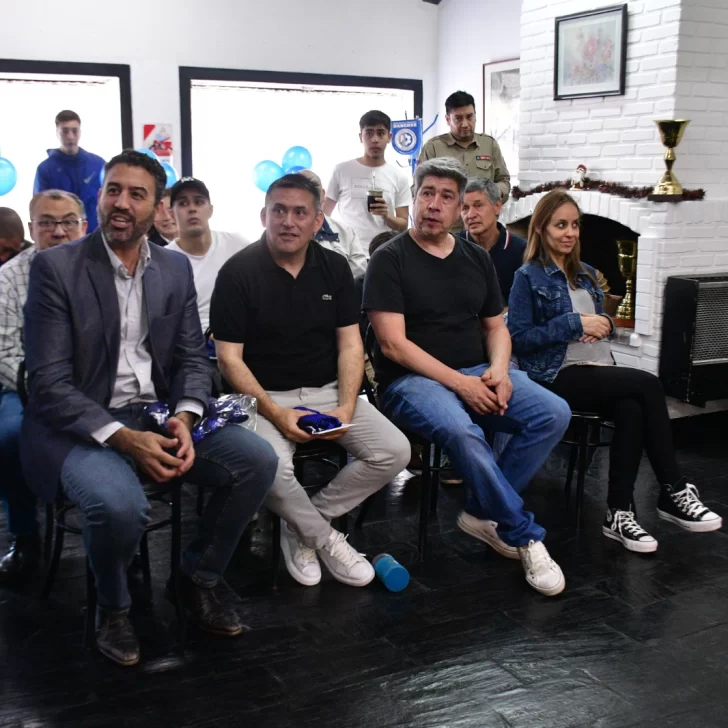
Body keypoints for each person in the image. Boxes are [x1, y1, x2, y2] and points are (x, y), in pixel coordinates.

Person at [21, 150, 277, 666]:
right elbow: (48, 383)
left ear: (157, 207)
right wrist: (123, 438)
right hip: (77, 424)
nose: (121, 202)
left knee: (257, 460)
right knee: (119, 506)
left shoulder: (174, 267)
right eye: (113, 190)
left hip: (155, 415)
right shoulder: (57, 267)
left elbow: (191, 357)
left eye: (136, 194)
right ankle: (113, 608)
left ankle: (195, 578)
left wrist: (185, 415)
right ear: (99, 196)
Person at [363, 158, 571, 597]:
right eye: (427, 193)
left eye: (446, 197)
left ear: (459, 208)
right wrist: (461, 385)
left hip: (477, 369)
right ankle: (523, 534)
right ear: (414, 197)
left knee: (553, 412)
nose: (434, 204)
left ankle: (481, 511)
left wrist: (499, 369)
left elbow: (496, 328)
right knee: (464, 431)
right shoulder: (390, 258)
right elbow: (393, 345)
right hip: (409, 382)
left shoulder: (476, 258)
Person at [211, 173, 410, 589]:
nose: (289, 221)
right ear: (264, 216)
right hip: (261, 397)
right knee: (269, 467)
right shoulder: (236, 272)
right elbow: (229, 359)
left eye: (300, 212)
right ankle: (325, 539)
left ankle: (300, 524)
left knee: (394, 451)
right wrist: (276, 413)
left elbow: (350, 346)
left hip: (327, 391)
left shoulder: (334, 268)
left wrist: (346, 406)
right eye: (279, 211)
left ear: (318, 221)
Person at [508, 189, 723, 552]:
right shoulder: (527, 277)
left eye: (575, 225)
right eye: (560, 225)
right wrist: (573, 324)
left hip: (597, 367)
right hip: (556, 375)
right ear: (541, 228)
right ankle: (673, 488)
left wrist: (604, 323)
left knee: (632, 409)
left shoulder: (587, 274)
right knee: (648, 383)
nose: (570, 233)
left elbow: (601, 320)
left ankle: (618, 514)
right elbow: (519, 338)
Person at [0, 191, 87, 586]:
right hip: (26, 386)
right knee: (9, 435)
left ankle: (120, 538)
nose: (58, 231)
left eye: (67, 221)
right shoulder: (9, 278)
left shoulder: (103, 270)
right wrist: (48, 388)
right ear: (31, 229)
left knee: (124, 419)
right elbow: (5, 351)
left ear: (83, 226)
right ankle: (25, 536)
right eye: (47, 223)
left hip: (94, 382)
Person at [417, 91, 510, 232]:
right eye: (458, 118)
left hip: (481, 228)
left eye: (469, 117)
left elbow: (504, 180)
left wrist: (490, 194)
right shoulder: (433, 147)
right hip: (447, 228)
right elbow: (418, 187)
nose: (465, 124)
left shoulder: (489, 145)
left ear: (475, 116)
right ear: (448, 119)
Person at [165, 178, 249, 332]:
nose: (192, 209)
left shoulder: (237, 244)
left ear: (210, 210)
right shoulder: (164, 260)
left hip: (240, 335)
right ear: (171, 214)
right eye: (183, 203)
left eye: (198, 202)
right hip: (191, 341)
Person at [324, 110, 412, 245]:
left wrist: (387, 216)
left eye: (381, 133)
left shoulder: (399, 178)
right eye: (369, 133)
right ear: (361, 137)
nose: (375, 139)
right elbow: (324, 215)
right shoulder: (342, 170)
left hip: (383, 250)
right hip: (346, 250)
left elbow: (403, 225)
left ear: (389, 137)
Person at [33, 110, 105, 232]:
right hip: (61, 236)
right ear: (57, 133)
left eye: (74, 131)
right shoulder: (45, 169)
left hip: (95, 235)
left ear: (80, 132)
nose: (70, 136)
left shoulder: (98, 164)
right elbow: (40, 209)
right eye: (65, 131)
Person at [460, 178, 526, 303]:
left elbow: (527, 304)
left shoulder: (521, 250)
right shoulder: (453, 246)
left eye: (478, 206)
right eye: (465, 208)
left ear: (497, 207)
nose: (471, 215)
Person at [299, 169, 367, 277]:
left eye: (314, 190)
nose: (309, 197)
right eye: (302, 190)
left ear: (323, 195)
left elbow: (359, 275)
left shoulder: (346, 232)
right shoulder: (282, 231)